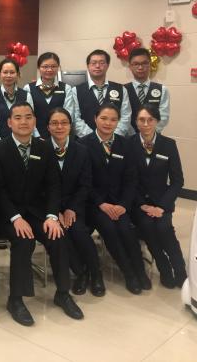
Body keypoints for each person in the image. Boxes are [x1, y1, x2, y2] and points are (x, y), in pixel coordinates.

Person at [0, 102, 83, 326]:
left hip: (37, 212)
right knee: (23, 240)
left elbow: (53, 185)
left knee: (58, 236)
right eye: (18, 117)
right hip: (7, 214)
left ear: (34, 121)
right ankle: (16, 299)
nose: (23, 121)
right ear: (9, 122)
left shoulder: (44, 148)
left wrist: (52, 216)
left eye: (28, 117)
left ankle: (63, 293)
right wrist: (15, 218)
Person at [79, 103, 150, 294]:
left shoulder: (125, 145)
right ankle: (129, 273)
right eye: (103, 118)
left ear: (118, 122)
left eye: (113, 119)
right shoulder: (83, 145)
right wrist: (101, 203)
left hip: (120, 203)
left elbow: (131, 179)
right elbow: (84, 182)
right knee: (109, 228)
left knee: (126, 229)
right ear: (95, 119)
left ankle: (140, 270)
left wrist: (123, 205)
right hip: (95, 204)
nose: (108, 123)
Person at [47, 107, 105, 297]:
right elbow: (40, 186)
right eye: (54, 123)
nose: (59, 127)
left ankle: (96, 273)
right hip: (51, 208)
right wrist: (55, 212)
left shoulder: (81, 150)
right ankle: (81, 273)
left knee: (79, 230)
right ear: (48, 127)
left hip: (76, 205)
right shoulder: (41, 149)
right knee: (60, 234)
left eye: (64, 123)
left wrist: (72, 208)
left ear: (70, 126)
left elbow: (85, 184)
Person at [130, 104, 185, 288]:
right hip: (139, 203)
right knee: (147, 226)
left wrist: (161, 206)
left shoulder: (168, 145)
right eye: (141, 120)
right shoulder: (128, 144)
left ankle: (180, 270)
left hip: (162, 202)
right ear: (136, 121)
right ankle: (164, 268)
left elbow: (177, 181)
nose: (145, 124)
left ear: (157, 121)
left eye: (150, 120)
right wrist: (142, 204)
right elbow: (127, 181)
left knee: (163, 228)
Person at [71, 49, 131, 137]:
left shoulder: (121, 89)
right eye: (93, 63)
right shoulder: (75, 90)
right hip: (85, 141)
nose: (97, 66)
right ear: (88, 66)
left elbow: (126, 117)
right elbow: (76, 119)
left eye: (102, 63)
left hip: (115, 141)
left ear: (107, 65)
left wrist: (112, 137)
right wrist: (93, 138)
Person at [23, 52, 74, 139]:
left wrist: (60, 134)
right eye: (45, 66)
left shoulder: (66, 88)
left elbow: (69, 115)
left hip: (60, 135)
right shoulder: (28, 88)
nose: (49, 70)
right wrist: (37, 136)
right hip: (35, 137)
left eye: (53, 66)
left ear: (58, 67)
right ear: (39, 68)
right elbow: (28, 116)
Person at [0, 58, 35, 144]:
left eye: (12, 72)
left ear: (18, 74)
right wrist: (0, 147)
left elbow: (30, 122)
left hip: (23, 144)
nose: (8, 75)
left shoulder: (26, 95)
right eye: (5, 72)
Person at [125, 48, 170, 134]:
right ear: (130, 67)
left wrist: (149, 133)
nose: (140, 67)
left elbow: (164, 117)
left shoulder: (162, 90)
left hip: (154, 137)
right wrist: (134, 136)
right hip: (128, 138)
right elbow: (123, 117)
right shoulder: (123, 90)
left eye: (144, 63)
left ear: (150, 64)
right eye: (136, 64)